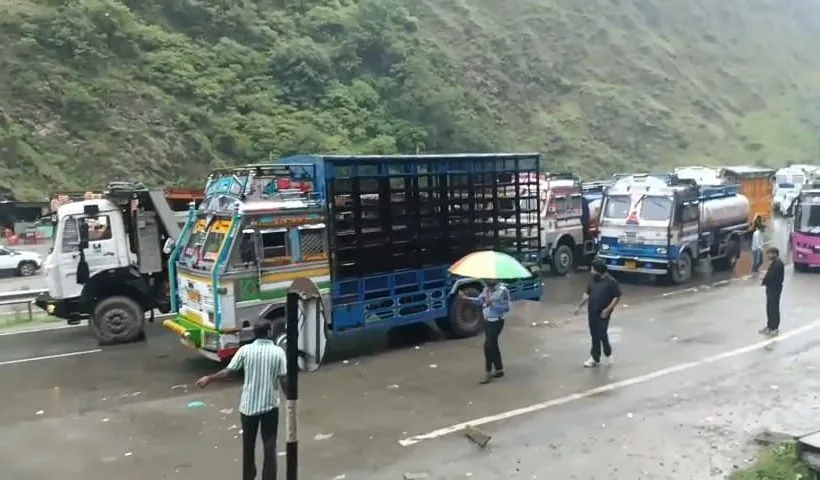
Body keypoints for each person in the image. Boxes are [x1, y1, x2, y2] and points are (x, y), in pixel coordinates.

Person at [196, 320, 288, 480]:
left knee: (248, 446)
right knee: (269, 445)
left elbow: (228, 372)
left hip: (248, 408)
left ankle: (248, 476)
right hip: (270, 407)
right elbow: (284, 378)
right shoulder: (278, 352)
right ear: (269, 332)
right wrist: (290, 399)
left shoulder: (245, 350)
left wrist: (209, 378)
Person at [459, 279, 511, 384]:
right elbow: (479, 301)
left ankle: (488, 373)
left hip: (497, 322)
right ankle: (499, 369)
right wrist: (466, 298)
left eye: (491, 278)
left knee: (487, 346)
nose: (488, 280)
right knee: (493, 345)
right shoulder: (486, 289)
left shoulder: (502, 291)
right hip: (487, 321)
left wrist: (492, 305)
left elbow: (506, 308)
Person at [575, 259, 622, 367]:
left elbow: (617, 296)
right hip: (592, 311)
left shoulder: (611, 282)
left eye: (593, 269)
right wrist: (579, 306)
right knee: (594, 335)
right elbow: (586, 294)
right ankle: (595, 358)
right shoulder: (593, 280)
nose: (591, 271)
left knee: (601, 333)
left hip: (603, 313)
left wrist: (608, 309)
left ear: (598, 270)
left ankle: (608, 352)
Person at [759, 247, 785, 336]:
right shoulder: (774, 263)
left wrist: (765, 278)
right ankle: (769, 326)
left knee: (774, 308)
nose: (768, 256)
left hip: (775, 288)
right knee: (769, 307)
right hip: (770, 288)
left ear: (774, 254)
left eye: (770, 253)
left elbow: (772, 276)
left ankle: (774, 328)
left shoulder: (778, 263)